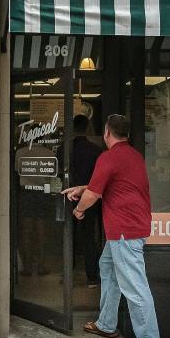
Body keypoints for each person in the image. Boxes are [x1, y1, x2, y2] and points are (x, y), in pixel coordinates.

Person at [61, 114, 161, 338]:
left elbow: (94, 194)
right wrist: (83, 188)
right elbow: (112, 185)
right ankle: (106, 323)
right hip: (131, 228)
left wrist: (79, 209)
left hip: (124, 230)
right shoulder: (133, 156)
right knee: (107, 267)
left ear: (107, 132)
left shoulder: (109, 157)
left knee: (135, 287)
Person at [70, 114, 103, 287]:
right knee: (89, 235)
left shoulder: (65, 149)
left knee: (69, 234)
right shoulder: (96, 150)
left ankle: (68, 272)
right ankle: (91, 276)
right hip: (92, 197)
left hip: (68, 196)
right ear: (88, 128)